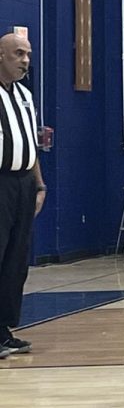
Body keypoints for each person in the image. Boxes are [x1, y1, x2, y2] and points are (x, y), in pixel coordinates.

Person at [0, 32, 46, 359]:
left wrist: (40, 185)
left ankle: (4, 329)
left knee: (17, 260)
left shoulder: (26, 96)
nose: (25, 60)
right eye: (18, 54)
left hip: (25, 184)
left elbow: (30, 144)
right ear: (1, 56)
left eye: (27, 54)